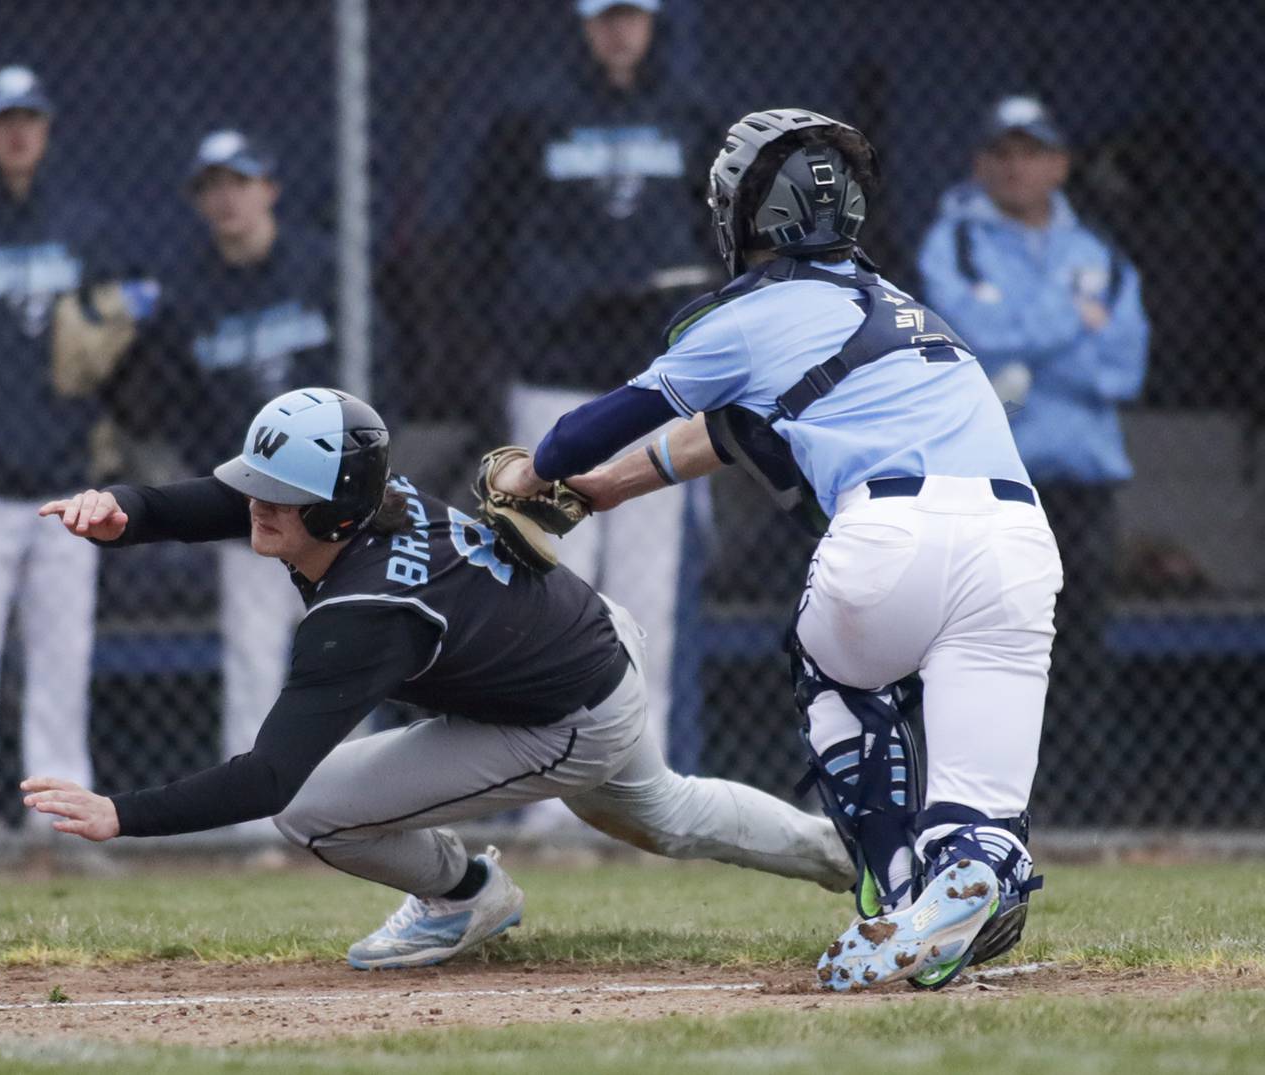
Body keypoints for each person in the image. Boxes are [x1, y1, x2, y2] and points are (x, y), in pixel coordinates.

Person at [486, 109, 1063, 990]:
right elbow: (726, 434)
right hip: (1019, 544)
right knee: (979, 811)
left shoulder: (743, 315)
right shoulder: (910, 311)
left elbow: (590, 429)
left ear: (747, 213)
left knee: (832, 667)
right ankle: (973, 867)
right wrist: (606, 492)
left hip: (888, 534)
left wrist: (542, 471)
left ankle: (899, 889)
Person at [26, 387, 852, 970]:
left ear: (339, 510)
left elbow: (268, 778)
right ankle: (859, 855)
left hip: (566, 713)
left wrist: (120, 814)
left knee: (309, 810)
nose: (255, 504)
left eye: (279, 494)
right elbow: (212, 501)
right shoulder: (364, 502)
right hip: (585, 643)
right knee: (669, 812)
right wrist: (125, 509)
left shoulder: (366, 613)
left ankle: (465, 894)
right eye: (257, 483)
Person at [470, 0, 720, 766]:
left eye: (633, 17)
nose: (620, 30)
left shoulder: (689, 110)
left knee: (648, 596)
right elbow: (486, 231)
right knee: (555, 584)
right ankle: (551, 785)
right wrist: (558, 296)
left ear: (651, 23)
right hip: (556, 376)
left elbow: (716, 232)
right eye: (606, 17)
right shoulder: (533, 110)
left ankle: (640, 777)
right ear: (585, 24)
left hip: (656, 385)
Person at [0, 65, 147, 848]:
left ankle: (58, 822)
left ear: (46, 130)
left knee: (62, 656)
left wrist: (86, 430)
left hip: (63, 480)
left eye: (30, 119)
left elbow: (116, 343)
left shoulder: (83, 225)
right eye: (3, 120)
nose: (18, 133)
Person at [916, 95, 1148, 730]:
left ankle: (1081, 804)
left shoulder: (1099, 249)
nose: (1017, 167)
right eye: (1003, 153)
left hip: (1081, 476)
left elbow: (1124, 366)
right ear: (979, 165)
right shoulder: (953, 240)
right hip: (994, 475)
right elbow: (971, 338)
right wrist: (1075, 322)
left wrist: (1024, 350)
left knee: (1077, 643)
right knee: (985, 639)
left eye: (1033, 153)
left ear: (1061, 165)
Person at [123, 129, 335, 763]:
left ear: (269, 189)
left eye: (239, 184)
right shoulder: (184, 292)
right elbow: (172, 405)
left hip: (333, 501)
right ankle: (257, 817)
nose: (227, 200)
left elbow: (379, 375)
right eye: (212, 189)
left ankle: (355, 804)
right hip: (254, 505)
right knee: (253, 655)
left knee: (345, 653)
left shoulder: (322, 267)